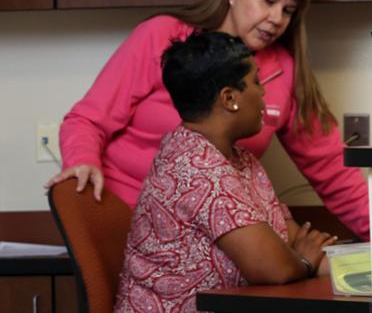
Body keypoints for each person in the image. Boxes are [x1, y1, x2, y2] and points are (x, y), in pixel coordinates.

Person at [44, 0, 369, 240]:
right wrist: (81, 161)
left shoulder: (284, 71)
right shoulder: (164, 36)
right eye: (268, 1)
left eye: (288, 11)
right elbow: (86, 119)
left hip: (212, 233)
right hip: (124, 218)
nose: (276, 19)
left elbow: (334, 172)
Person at [114, 31, 338, 312]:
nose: (264, 92)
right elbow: (276, 268)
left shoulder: (240, 159)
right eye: (256, 82)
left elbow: (291, 238)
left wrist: (331, 262)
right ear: (230, 98)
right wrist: (304, 262)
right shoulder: (195, 167)